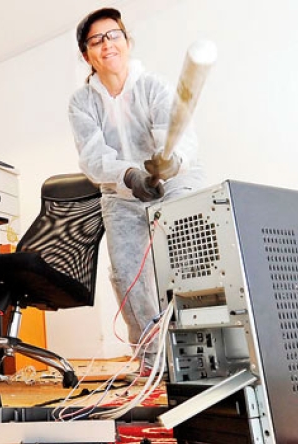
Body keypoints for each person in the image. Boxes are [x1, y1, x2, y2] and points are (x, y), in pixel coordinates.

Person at [68, 7, 206, 377]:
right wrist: (130, 176)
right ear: (87, 55)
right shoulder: (82, 102)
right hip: (121, 193)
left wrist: (170, 164)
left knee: (190, 262)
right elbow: (94, 157)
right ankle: (150, 362)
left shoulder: (154, 86)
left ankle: (204, 356)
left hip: (174, 185)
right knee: (127, 274)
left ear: (127, 42)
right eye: (95, 40)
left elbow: (181, 141)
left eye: (113, 35)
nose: (106, 44)